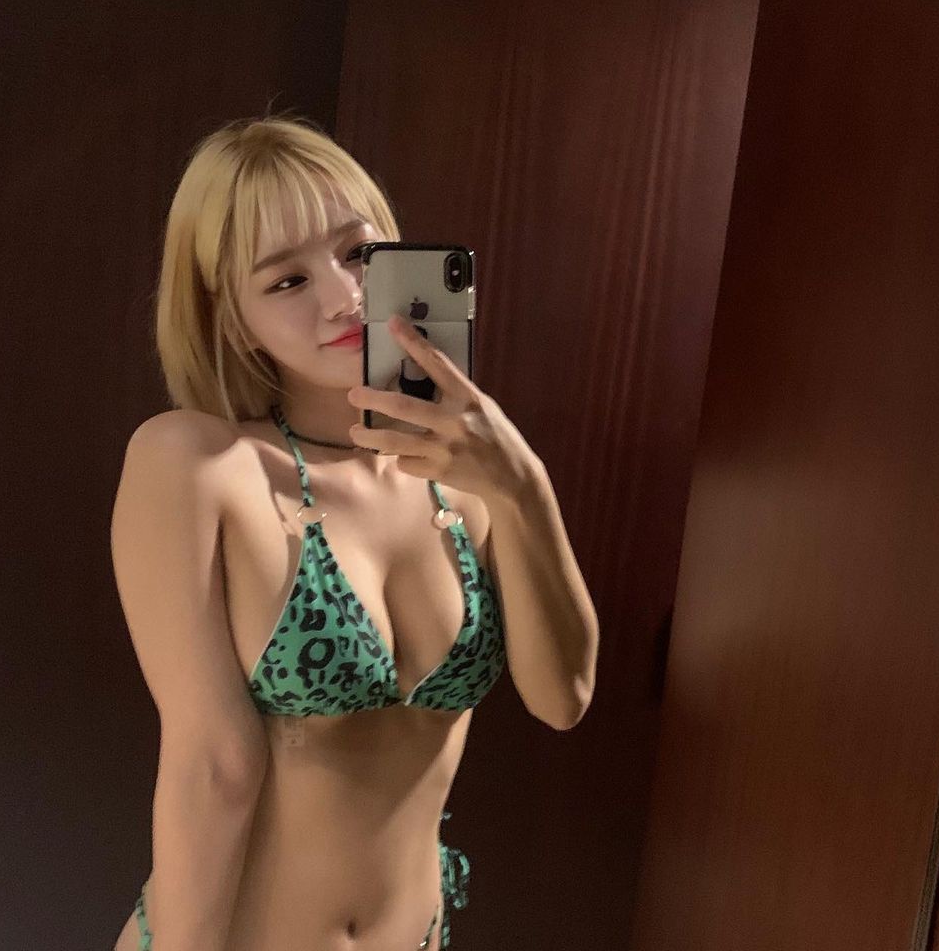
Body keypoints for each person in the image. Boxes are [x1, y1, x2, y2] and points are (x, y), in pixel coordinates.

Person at [109, 115, 589, 951]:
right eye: (287, 281)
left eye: (359, 252)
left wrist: (523, 484)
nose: (343, 296)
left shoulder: (469, 483)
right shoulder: (199, 465)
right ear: (234, 320)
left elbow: (563, 698)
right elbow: (213, 767)